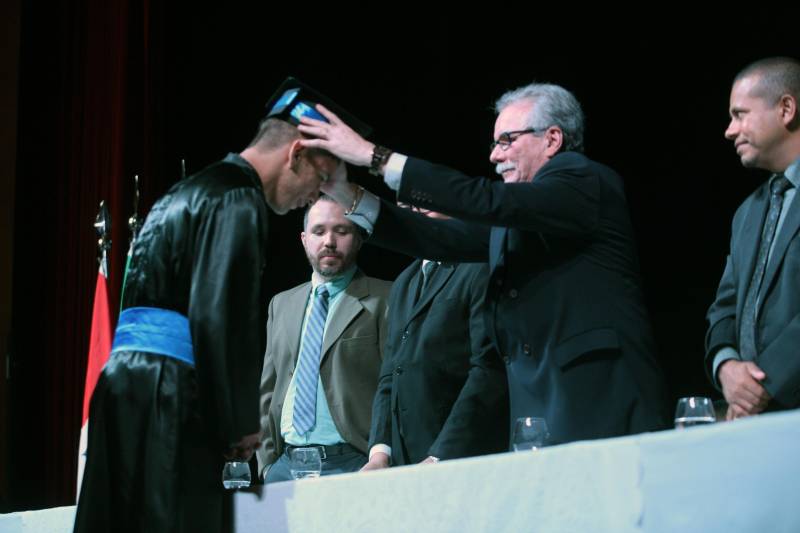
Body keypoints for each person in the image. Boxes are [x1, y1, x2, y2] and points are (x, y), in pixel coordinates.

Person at [298, 81, 669, 445]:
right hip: (537, 412)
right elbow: (436, 237)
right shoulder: (517, 219)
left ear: (552, 140)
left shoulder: (583, 180)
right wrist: (343, 191)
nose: (494, 155)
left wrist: (373, 156)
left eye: (507, 140)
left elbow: (488, 200)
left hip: (601, 404)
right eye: (494, 143)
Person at [74, 80, 366, 533]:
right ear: (296, 154)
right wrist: (240, 424)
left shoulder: (185, 191)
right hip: (169, 393)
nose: (317, 193)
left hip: (122, 388)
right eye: (321, 177)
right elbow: (219, 314)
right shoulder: (238, 199)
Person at [257, 195, 391, 482]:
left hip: (353, 461)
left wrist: (381, 456)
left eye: (341, 231)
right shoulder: (281, 304)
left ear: (358, 238)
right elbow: (268, 390)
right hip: (285, 465)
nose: (329, 241)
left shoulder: (385, 298)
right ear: (305, 239)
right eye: (319, 231)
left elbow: (394, 386)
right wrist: (267, 463)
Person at [363, 205, 508, 470]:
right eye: (405, 206)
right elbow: (390, 375)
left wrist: (442, 453)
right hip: (405, 458)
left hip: (460, 456)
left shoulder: (478, 266)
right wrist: (380, 452)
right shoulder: (404, 281)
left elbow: (488, 369)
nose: (415, 210)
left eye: (424, 200)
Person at [706, 57, 800, 420]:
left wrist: (762, 385)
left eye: (740, 114)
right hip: (757, 418)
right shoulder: (747, 212)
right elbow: (724, 307)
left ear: (786, 109)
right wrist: (726, 366)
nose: (730, 130)